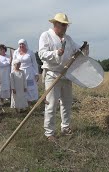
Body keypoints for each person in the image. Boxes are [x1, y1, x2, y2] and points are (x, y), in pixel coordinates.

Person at [38, 13, 89, 141]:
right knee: (51, 104)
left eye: (66, 25)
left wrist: (84, 49)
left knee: (66, 103)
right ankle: (49, 133)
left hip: (66, 74)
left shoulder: (68, 39)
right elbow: (42, 54)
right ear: (55, 24)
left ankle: (65, 127)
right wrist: (56, 53)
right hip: (52, 74)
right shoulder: (46, 35)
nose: (65, 27)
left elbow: (77, 51)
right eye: (62, 24)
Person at [13, 39, 39, 105]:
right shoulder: (16, 52)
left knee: (29, 86)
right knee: (21, 87)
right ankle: (22, 101)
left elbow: (34, 63)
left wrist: (36, 73)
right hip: (20, 72)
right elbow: (13, 63)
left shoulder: (30, 52)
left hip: (29, 71)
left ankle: (29, 100)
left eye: (23, 44)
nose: (21, 45)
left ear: (25, 44)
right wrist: (13, 72)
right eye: (20, 44)